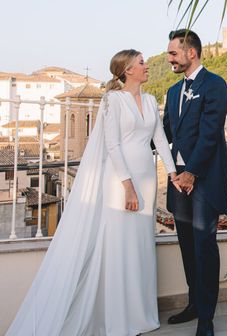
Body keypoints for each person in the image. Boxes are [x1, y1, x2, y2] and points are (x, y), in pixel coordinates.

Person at [7, 49, 177, 336]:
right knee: (120, 244)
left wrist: (172, 172)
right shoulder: (113, 100)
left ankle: (140, 312)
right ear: (128, 70)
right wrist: (127, 185)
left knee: (140, 246)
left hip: (147, 178)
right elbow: (112, 145)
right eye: (142, 63)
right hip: (121, 181)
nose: (147, 66)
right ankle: (118, 314)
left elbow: (159, 138)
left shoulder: (150, 100)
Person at [163, 29, 227, 336]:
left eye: (173, 53)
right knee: (187, 245)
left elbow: (210, 132)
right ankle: (193, 304)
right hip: (177, 182)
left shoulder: (215, 85)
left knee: (204, 246)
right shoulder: (173, 92)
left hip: (203, 179)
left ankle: (207, 318)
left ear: (191, 52)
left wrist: (192, 171)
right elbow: (165, 133)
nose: (169, 58)